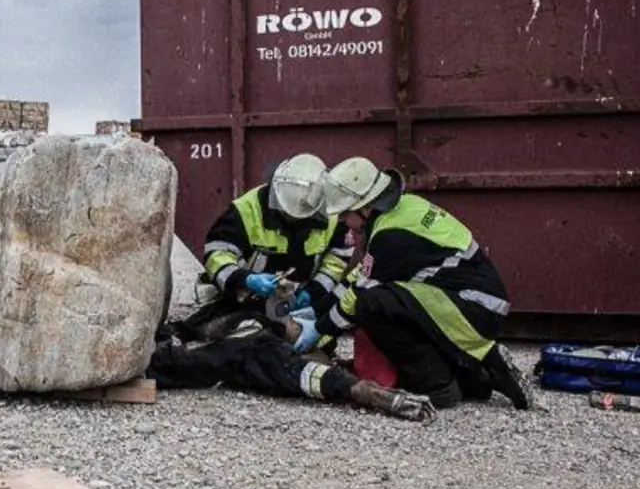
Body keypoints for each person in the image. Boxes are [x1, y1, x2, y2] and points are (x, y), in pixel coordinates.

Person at [297, 157, 531, 410]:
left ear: (364, 207)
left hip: (471, 309)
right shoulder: (404, 209)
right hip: (471, 304)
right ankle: (478, 378)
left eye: (344, 214)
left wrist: (319, 329)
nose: (342, 221)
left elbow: (359, 293)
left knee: (372, 305)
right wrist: (318, 308)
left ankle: (438, 387)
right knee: (386, 301)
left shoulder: (390, 236)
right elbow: (362, 274)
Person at [170, 153, 353, 342]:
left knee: (311, 339)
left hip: (301, 303)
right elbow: (217, 253)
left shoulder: (331, 215)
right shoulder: (247, 210)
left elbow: (337, 259)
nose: (293, 220)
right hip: (246, 299)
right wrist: (246, 280)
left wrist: (314, 291)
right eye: (287, 214)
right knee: (220, 333)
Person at [148, 308, 437, 422]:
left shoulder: (274, 351)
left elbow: (307, 375)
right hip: (221, 354)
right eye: (294, 321)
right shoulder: (257, 323)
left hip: (219, 359)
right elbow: (203, 325)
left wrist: (361, 390)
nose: (293, 321)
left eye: (298, 324)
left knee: (180, 364)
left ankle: (371, 393)